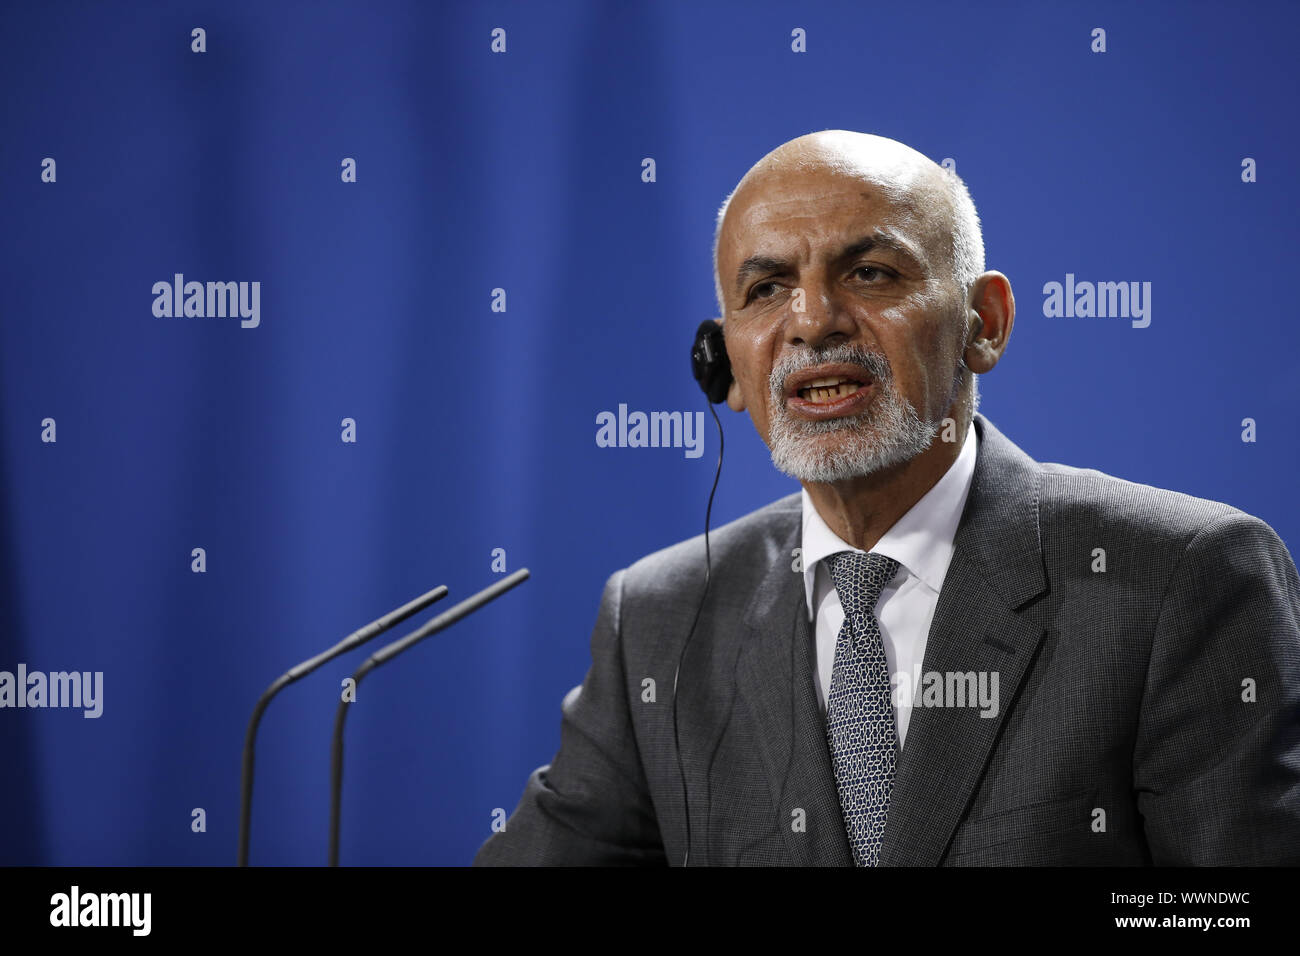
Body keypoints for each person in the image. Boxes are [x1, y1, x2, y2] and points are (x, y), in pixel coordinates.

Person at [474, 130, 1300, 866]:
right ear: (721, 363)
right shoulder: (659, 619)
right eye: (765, 290)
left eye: (868, 273)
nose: (813, 321)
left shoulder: (1182, 579)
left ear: (985, 323)